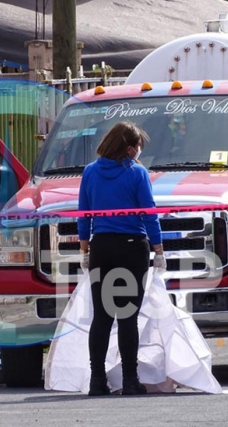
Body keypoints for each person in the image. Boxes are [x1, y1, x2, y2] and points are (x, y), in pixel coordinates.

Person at [76, 121, 166, 396]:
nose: (140, 152)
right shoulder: (137, 173)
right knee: (128, 317)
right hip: (131, 248)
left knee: (101, 317)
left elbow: (83, 213)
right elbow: (149, 213)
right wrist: (159, 250)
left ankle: (96, 380)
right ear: (129, 149)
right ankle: (129, 379)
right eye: (138, 146)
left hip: (101, 247)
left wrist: (84, 250)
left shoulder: (90, 172)